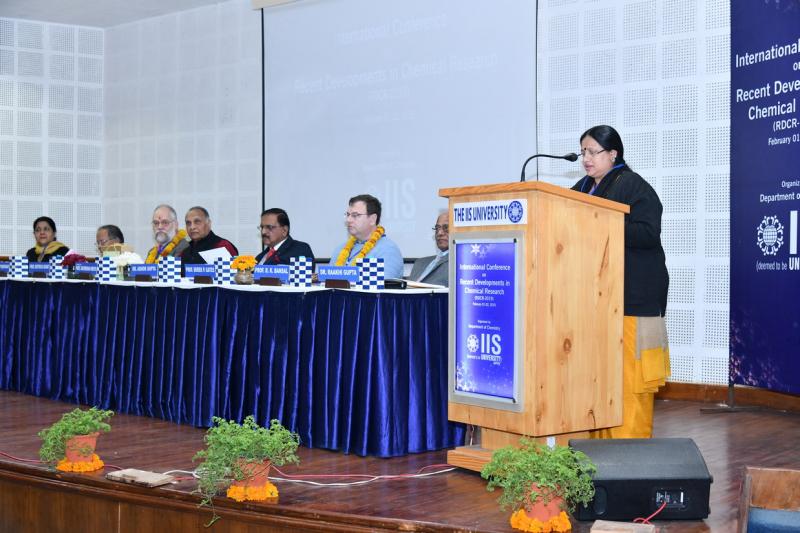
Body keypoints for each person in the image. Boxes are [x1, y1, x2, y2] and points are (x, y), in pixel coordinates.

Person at [571, 125, 670, 439]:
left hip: (632, 300)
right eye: (583, 152)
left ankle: (631, 457)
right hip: (596, 301)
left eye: (592, 151)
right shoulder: (581, 188)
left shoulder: (632, 185)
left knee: (629, 384)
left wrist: (603, 223)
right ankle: (598, 454)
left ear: (613, 154)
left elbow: (648, 233)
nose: (586, 158)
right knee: (599, 380)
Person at [330, 194, 403, 279]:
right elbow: (327, 282)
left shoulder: (388, 250)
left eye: (355, 215)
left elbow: (383, 283)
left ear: (372, 219)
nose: (348, 220)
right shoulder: (340, 249)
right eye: (348, 215)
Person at [408, 211, 449, 286]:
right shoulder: (419, 263)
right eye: (437, 228)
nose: (439, 233)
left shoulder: (459, 264)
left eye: (446, 228)